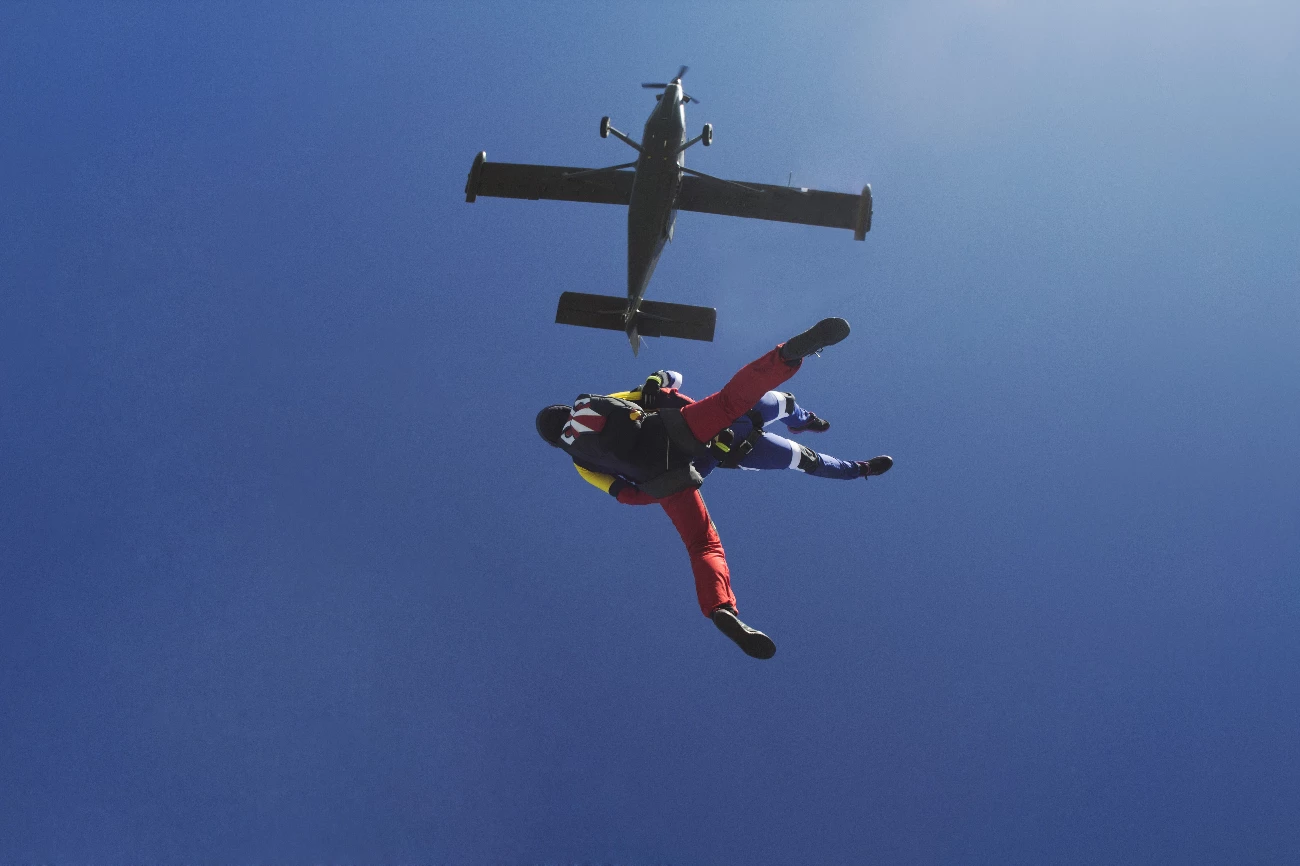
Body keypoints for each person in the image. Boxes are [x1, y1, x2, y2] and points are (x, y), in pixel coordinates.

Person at [535, 318, 892, 659]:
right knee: (770, 413)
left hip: (673, 469)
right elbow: (665, 380)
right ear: (567, 409)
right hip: (691, 431)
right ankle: (793, 371)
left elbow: (626, 494)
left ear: (556, 441)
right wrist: (656, 383)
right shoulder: (593, 403)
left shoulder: (580, 460)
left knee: (703, 544)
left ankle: (721, 608)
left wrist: (670, 483)